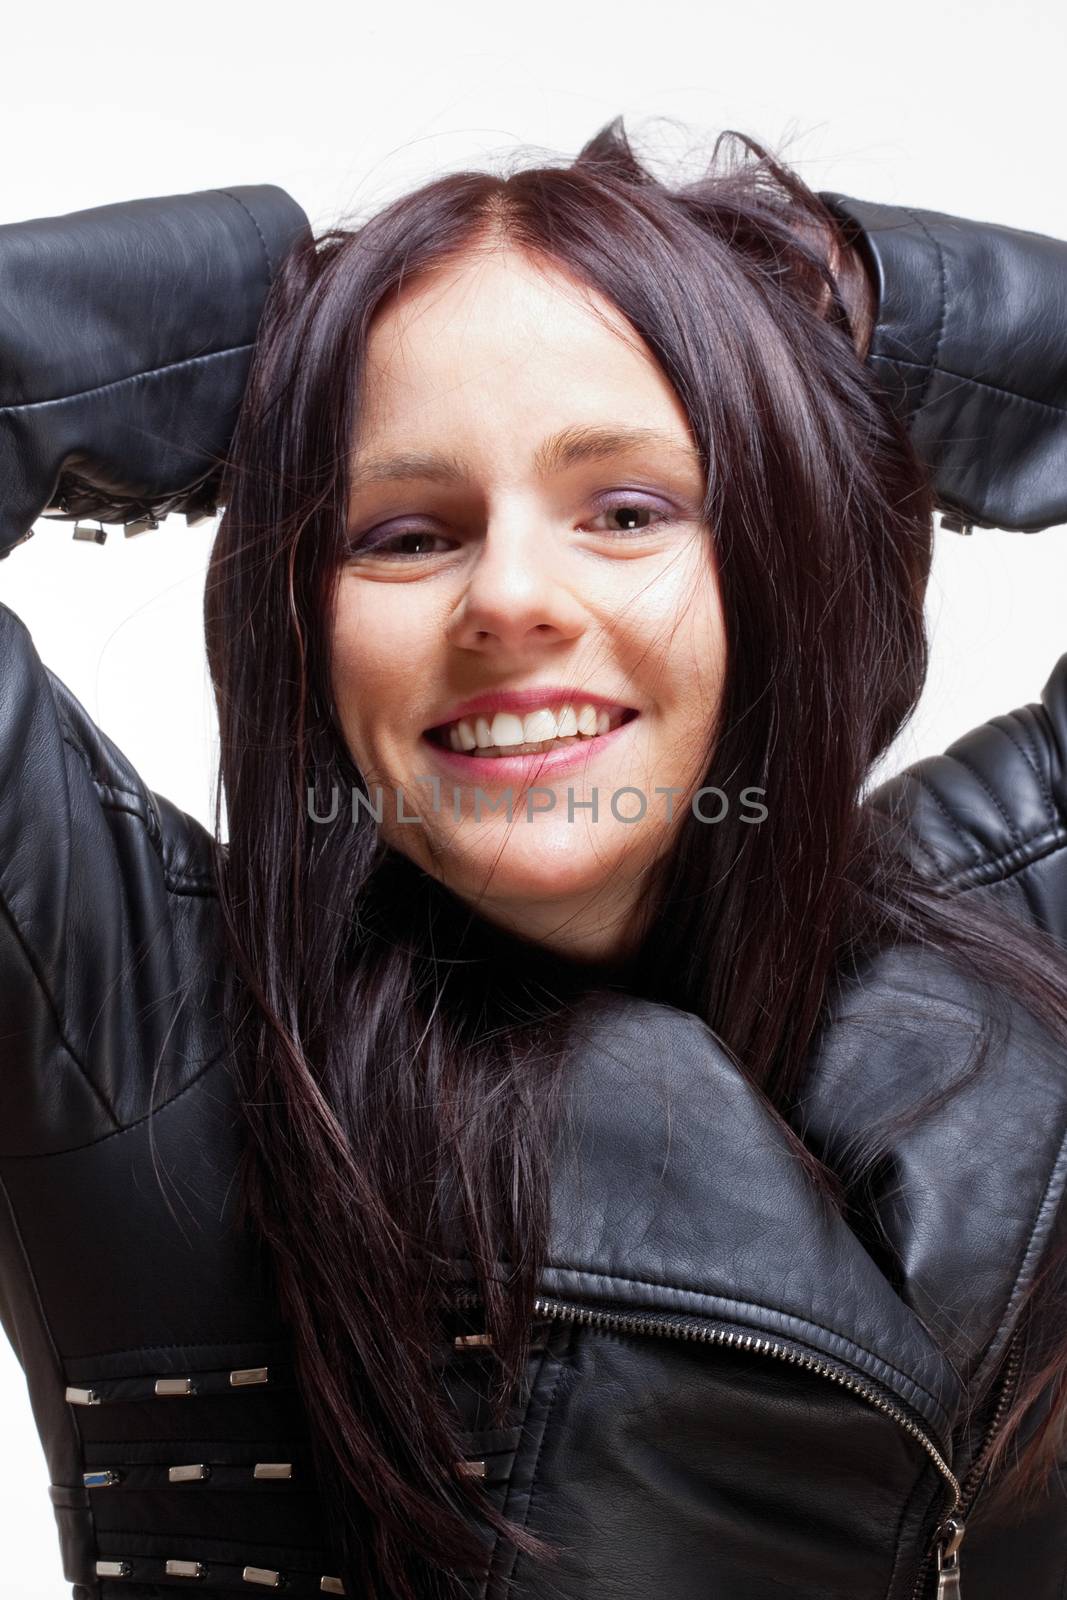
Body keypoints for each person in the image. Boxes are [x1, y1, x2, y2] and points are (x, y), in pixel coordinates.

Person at [2, 119, 1067, 1600]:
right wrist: (268, 310)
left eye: (627, 510)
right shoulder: (145, 1024)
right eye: (404, 534)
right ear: (302, 624)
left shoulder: (1023, 908)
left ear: (784, 550)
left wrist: (837, 317)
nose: (510, 596)